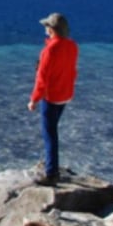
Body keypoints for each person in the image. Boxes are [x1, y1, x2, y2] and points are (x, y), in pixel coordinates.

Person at [28, 12, 78, 186]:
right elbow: (71, 71)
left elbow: (42, 79)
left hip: (52, 97)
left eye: (47, 26)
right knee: (53, 130)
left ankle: (51, 173)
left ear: (52, 29)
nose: (45, 28)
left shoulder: (49, 50)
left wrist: (34, 99)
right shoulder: (72, 46)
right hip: (65, 95)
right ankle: (52, 165)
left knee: (49, 134)